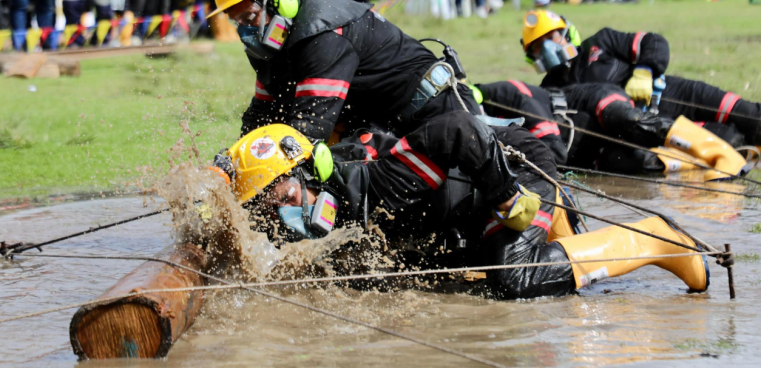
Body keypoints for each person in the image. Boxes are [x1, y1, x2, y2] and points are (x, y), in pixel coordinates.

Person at [207, 115, 712, 299]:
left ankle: (657, 237)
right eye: (267, 210)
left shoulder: (376, 181)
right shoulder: (332, 200)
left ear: (306, 174)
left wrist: (508, 197)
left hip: (517, 178)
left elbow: (460, 130)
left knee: (511, 280)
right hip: (472, 209)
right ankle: (561, 230)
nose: (282, 217)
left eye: (285, 198)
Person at [195, 0, 482, 142]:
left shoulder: (323, 34)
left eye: (250, 16)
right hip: (385, 124)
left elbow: (307, 130)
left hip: (438, 116)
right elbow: (263, 114)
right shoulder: (271, 45)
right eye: (237, 21)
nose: (245, 28)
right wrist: (231, 165)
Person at [509, 9, 751, 179]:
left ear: (565, 31)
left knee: (749, 116)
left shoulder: (601, 41)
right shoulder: (549, 89)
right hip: (639, 132)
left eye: (551, 37)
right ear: (533, 56)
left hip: (668, 93)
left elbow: (653, 41)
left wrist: (645, 71)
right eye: (539, 46)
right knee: (731, 139)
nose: (549, 48)